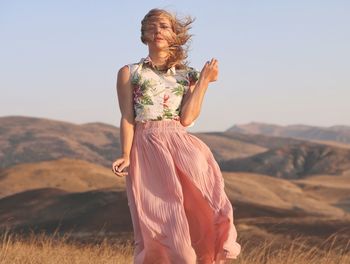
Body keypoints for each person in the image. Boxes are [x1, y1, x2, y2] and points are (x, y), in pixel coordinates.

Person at [112, 8, 241, 264]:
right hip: (146, 147)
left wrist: (203, 80)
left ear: (175, 35)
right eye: (151, 26)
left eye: (164, 26)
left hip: (181, 145)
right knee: (157, 222)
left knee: (204, 210)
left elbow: (187, 119)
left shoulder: (188, 74)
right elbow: (128, 117)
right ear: (143, 35)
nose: (157, 30)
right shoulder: (130, 72)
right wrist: (126, 154)